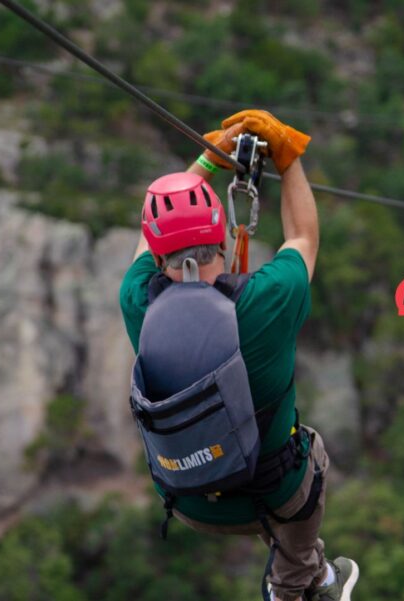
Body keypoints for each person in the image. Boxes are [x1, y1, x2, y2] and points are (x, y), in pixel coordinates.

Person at [118, 109, 358, 601]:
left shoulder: (138, 300)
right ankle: (293, 584)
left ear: (157, 253)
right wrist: (288, 159)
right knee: (310, 452)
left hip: (189, 498)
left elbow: (151, 232)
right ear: (224, 239)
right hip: (273, 497)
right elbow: (303, 239)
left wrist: (209, 160)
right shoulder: (266, 300)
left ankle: (313, 579)